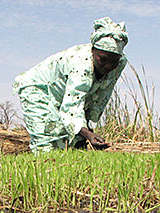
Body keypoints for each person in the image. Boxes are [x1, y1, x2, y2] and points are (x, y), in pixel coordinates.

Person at [13, 17, 128, 152]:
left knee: (70, 143)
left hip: (61, 92)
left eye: (113, 61)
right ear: (93, 51)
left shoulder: (120, 63)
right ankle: (43, 169)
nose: (108, 66)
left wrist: (87, 127)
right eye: (103, 59)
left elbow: (103, 94)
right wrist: (86, 133)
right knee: (46, 141)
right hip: (37, 88)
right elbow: (72, 105)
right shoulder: (81, 64)